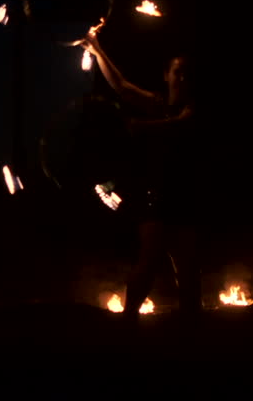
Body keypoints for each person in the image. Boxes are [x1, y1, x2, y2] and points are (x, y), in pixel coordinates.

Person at [81, 27, 202, 323]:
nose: (182, 78)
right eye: (177, 72)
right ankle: (129, 319)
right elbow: (122, 86)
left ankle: (191, 327)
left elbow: (182, 124)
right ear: (167, 76)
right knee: (148, 260)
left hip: (186, 197)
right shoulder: (159, 104)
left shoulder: (193, 108)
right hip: (158, 196)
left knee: (186, 268)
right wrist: (97, 49)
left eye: (187, 73)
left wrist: (143, 127)